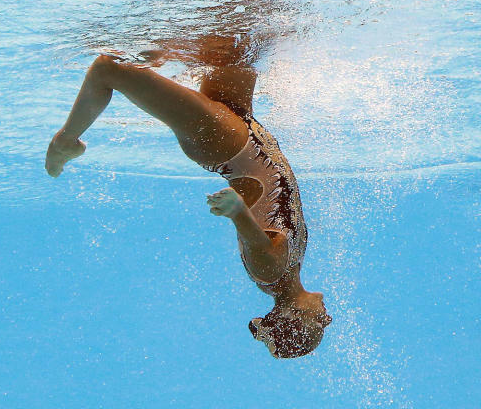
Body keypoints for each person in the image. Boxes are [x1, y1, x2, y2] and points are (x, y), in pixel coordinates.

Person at [45, 36, 331, 358]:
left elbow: (255, 239)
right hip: (244, 133)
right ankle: (160, 55)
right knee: (235, 40)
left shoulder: (270, 274)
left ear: (293, 317)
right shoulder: (289, 269)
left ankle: (65, 142)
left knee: (109, 69)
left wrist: (236, 210)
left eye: (319, 326)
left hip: (227, 145)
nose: (327, 318)